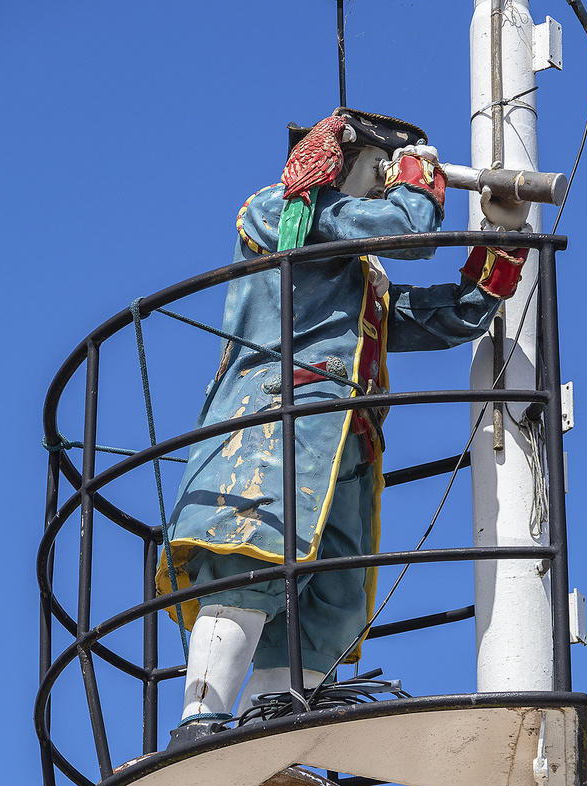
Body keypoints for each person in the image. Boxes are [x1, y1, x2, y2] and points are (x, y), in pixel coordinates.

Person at [156, 108, 527, 734]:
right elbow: (406, 233)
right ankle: (202, 717)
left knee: (330, 603)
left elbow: (447, 316)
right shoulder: (281, 212)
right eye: (386, 167)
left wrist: (499, 242)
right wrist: (417, 186)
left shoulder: (362, 272)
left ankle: (268, 731)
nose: (390, 181)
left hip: (345, 452)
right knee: (250, 561)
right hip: (276, 426)